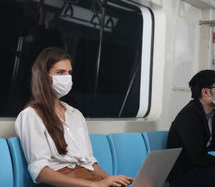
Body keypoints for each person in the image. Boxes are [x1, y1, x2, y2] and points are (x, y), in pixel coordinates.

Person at [15, 47, 133, 187]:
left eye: (69, 72)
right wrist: (94, 185)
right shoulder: (31, 115)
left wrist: (115, 181)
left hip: (86, 178)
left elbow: (89, 163)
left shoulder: (75, 115)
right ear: (44, 77)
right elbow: (41, 172)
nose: (66, 77)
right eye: (60, 72)